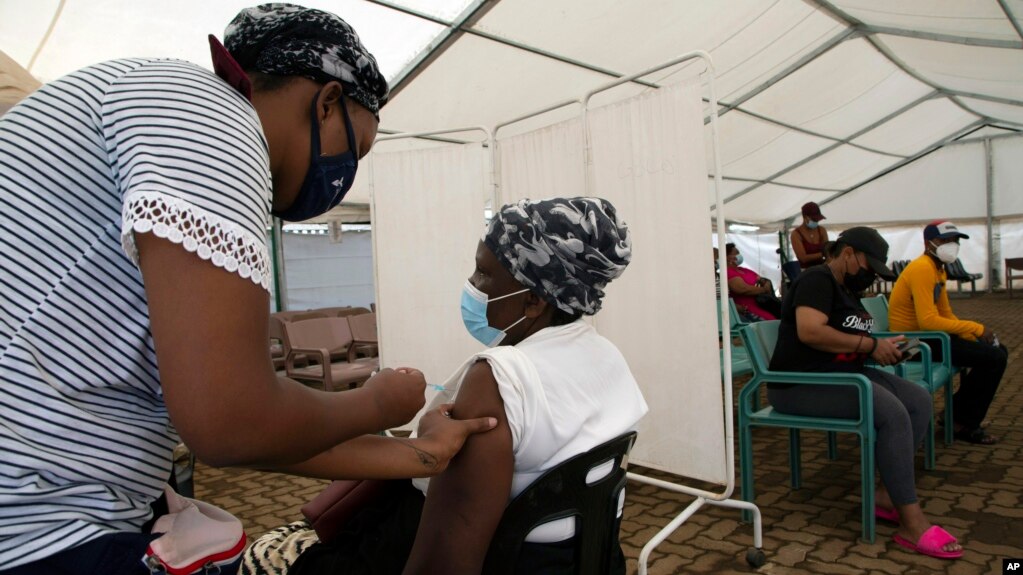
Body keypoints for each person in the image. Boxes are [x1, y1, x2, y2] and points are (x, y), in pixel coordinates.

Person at [0, 5, 495, 573]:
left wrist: (419, 455)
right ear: (327, 101)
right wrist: (375, 402)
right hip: (39, 531)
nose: (344, 177)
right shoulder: (213, 119)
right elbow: (231, 424)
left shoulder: (145, 100)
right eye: (352, 150)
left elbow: (258, 430)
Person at [242, 197, 649, 575]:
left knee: (267, 559)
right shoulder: (605, 356)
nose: (472, 284)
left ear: (534, 302)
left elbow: (444, 562)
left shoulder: (500, 378)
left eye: (485, 273)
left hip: (474, 558)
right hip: (581, 559)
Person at [769, 226, 962, 560]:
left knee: (918, 401)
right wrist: (870, 345)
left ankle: (887, 495)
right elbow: (810, 331)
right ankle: (911, 523)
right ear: (847, 254)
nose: (870, 275)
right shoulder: (817, 280)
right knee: (892, 414)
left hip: (842, 376)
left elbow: (853, 337)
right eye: (868, 266)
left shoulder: (848, 291)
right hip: (799, 384)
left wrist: (888, 347)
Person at [888, 220, 1006, 445]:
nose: (952, 245)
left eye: (955, 241)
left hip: (929, 338)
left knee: (997, 351)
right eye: (945, 241)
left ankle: (957, 415)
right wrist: (975, 328)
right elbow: (928, 321)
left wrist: (970, 335)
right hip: (911, 344)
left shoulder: (937, 269)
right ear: (928, 243)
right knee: (994, 358)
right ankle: (964, 422)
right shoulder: (923, 268)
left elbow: (945, 313)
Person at [725, 242, 781, 320]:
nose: (739, 255)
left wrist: (762, 285)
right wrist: (763, 289)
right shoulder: (728, 272)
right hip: (747, 309)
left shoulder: (744, 270)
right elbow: (743, 289)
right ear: (727, 257)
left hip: (762, 305)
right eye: (736, 253)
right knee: (771, 322)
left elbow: (765, 281)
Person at [791, 201, 829, 269]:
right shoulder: (796, 234)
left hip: (822, 269)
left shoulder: (822, 230)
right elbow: (803, 258)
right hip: (806, 271)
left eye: (818, 220)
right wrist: (823, 254)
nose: (816, 222)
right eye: (814, 220)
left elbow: (828, 250)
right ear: (805, 217)